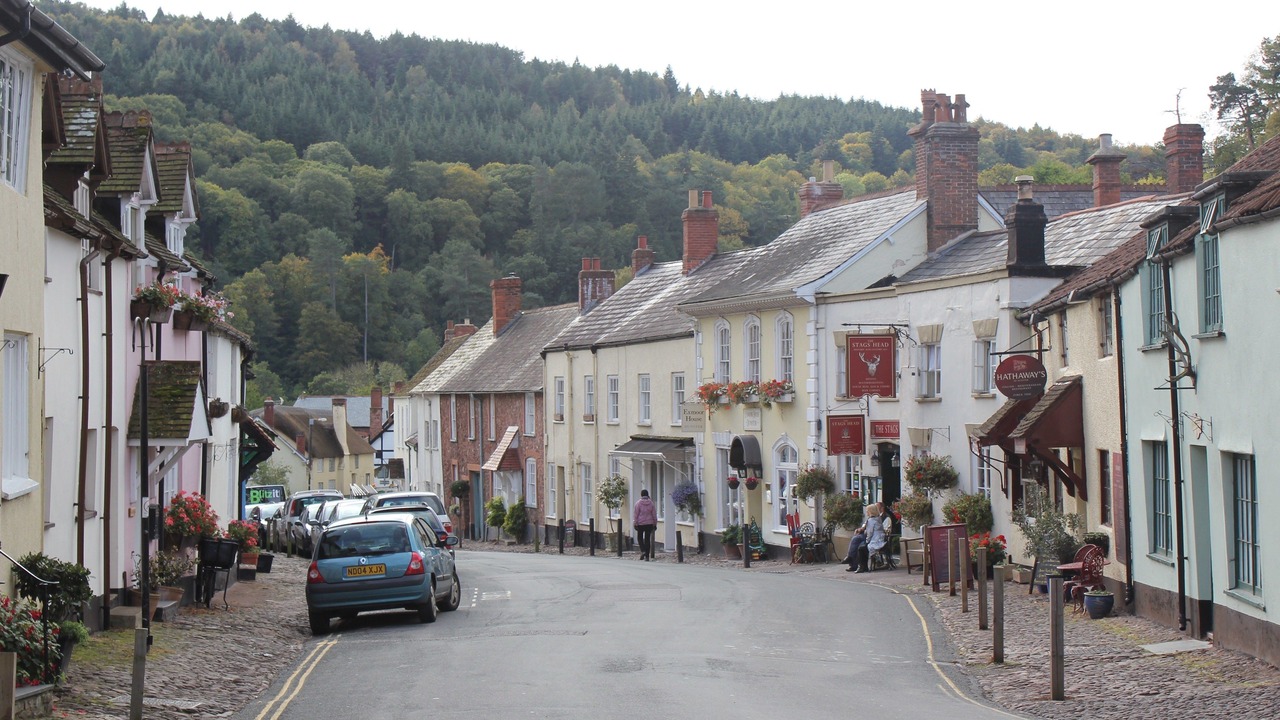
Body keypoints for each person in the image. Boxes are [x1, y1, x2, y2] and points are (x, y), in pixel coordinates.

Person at [844, 502, 888, 573]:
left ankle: (860, 566)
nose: (866, 512)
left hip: (875, 540)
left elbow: (870, 533)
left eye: (867, 511)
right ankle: (854, 562)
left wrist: (867, 542)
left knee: (861, 547)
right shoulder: (877, 518)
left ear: (871, 511)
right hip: (877, 538)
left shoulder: (872, 520)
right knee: (857, 541)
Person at [633, 489, 658, 561]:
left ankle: (643, 550)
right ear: (647, 495)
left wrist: (635, 523)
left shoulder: (638, 503)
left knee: (640, 538)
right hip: (649, 523)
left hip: (640, 523)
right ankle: (647, 556)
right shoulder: (651, 503)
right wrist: (655, 523)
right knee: (647, 539)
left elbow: (636, 514)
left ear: (641, 495)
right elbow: (654, 514)